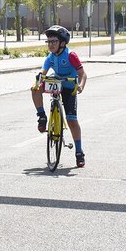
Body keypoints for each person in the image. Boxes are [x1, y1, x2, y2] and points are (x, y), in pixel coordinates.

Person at [32, 25, 88, 167]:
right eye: (48, 42)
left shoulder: (71, 55)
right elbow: (43, 73)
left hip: (69, 87)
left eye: (53, 41)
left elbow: (83, 74)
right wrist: (38, 82)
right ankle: (42, 116)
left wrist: (80, 86)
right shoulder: (50, 57)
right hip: (56, 83)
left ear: (62, 43)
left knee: (72, 120)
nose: (50, 44)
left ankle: (79, 152)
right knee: (34, 89)